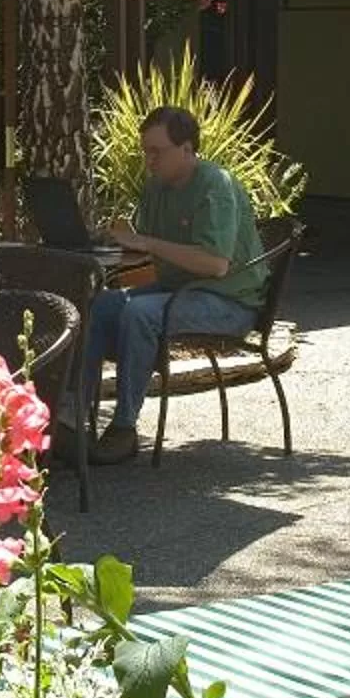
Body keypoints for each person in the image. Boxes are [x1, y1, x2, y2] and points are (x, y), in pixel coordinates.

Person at [76, 104, 270, 462]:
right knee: (101, 304)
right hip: (177, 291)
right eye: (145, 151)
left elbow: (215, 264)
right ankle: (71, 419)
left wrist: (146, 243)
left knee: (139, 314)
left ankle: (123, 428)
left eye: (157, 152)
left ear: (186, 148)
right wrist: (105, 243)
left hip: (228, 302)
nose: (149, 160)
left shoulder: (216, 185)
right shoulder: (156, 188)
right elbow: (146, 248)